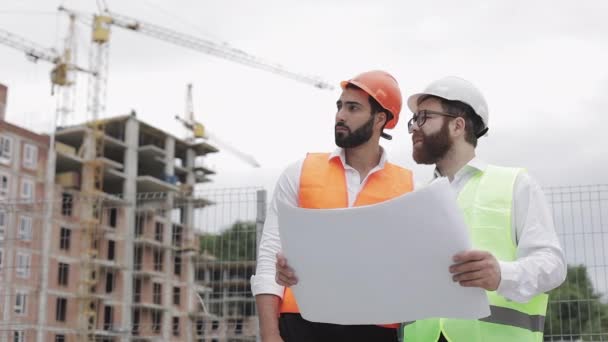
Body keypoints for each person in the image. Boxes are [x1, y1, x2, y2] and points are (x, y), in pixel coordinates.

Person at [251, 70, 414, 342]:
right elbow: (269, 258)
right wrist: (270, 334)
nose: (340, 115)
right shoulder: (300, 173)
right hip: (300, 325)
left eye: (353, 108)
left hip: (374, 330)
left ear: (380, 119)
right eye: (339, 106)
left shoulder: (408, 189)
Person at [400, 76, 567, 341]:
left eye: (424, 117)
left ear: (457, 125)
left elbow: (553, 265)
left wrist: (502, 274)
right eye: (413, 119)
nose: (413, 128)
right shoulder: (415, 199)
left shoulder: (516, 185)